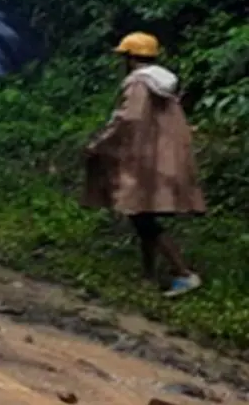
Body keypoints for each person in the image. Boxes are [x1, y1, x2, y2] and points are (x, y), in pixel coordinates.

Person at [83, 33, 205, 297]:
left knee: (141, 216)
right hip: (160, 158)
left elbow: (129, 119)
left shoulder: (139, 84)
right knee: (142, 213)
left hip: (143, 160)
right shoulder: (162, 83)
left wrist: (100, 143)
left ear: (130, 58)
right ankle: (148, 274)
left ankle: (184, 273)